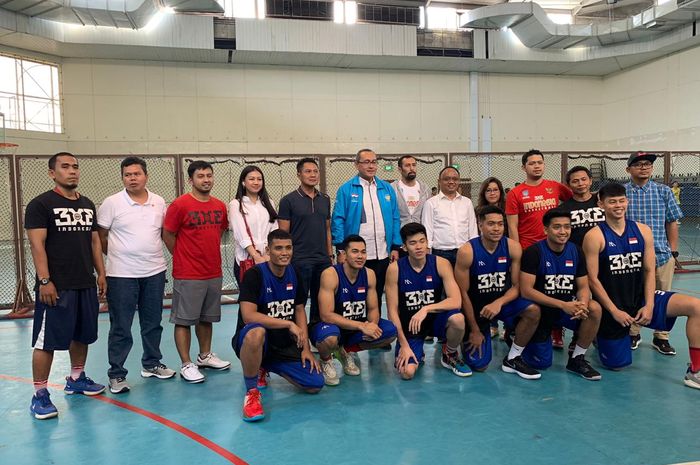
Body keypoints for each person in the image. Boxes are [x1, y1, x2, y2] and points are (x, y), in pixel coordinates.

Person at [583, 182, 700, 389]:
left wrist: (650, 304)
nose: (618, 206)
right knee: (617, 365)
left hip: (640, 298)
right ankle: (599, 335)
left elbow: (648, 270)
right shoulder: (594, 236)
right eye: (612, 202)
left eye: (621, 201)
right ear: (601, 204)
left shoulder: (643, 230)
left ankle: (695, 371)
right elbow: (593, 280)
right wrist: (614, 311)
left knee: (696, 306)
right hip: (614, 305)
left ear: (627, 201)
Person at [26, 152, 107, 420]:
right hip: (57, 286)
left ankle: (76, 378)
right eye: (65, 167)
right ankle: (39, 394)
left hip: (84, 282)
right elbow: (37, 245)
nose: (72, 171)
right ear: (52, 173)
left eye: (75, 167)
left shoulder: (86, 203)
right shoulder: (40, 204)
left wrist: (101, 273)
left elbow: (95, 242)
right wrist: (45, 281)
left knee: (82, 334)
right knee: (47, 341)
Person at [98, 157, 175, 394]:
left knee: (153, 323)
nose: (132, 178)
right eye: (127, 174)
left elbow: (163, 233)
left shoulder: (159, 201)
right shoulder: (111, 203)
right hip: (121, 276)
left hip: (154, 272)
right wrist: (116, 258)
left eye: (136, 174)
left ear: (146, 176)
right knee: (121, 326)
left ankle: (151, 364)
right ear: (122, 177)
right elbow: (100, 236)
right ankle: (117, 375)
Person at [232, 229, 323, 421]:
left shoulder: (295, 273)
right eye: (278, 248)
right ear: (268, 250)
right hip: (254, 339)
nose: (284, 252)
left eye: (288, 248)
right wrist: (287, 324)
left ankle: (265, 365)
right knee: (256, 332)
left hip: (282, 343)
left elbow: (299, 310)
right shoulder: (254, 275)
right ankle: (252, 392)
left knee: (315, 384)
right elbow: (248, 316)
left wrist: (306, 348)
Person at [454, 205, 541, 379]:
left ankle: (513, 356)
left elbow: (518, 286)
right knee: (479, 365)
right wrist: (474, 330)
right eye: (491, 224)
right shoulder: (467, 251)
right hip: (478, 309)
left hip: (502, 304)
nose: (496, 228)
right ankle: (468, 337)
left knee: (533, 310)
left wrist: (499, 302)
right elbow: (462, 293)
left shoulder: (513, 247)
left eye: (500, 224)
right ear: (480, 225)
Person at [163, 160, 230, 384]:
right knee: (183, 320)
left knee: (206, 317)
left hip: (213, 271)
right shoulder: (180, 205)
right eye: (201, 176)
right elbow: (168, 234)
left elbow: (220, 232)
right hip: (188, 273)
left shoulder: (220, 206)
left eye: (209, 175)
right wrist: (182, 256)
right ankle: (186, 363)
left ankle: (204, 355)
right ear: (191, 180)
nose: (206, 180)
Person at [519, 209, 602, 380]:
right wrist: (563, 305)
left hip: (567, 309)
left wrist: (583, 304)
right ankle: (516, 335)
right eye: (557, 227)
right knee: (541, 363)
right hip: (540, 311)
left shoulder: (576, 251)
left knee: (594, 308)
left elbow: (583, 286)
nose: (563, 231)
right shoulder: (533, 252)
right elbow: (526, 290)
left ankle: (577, 358)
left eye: (567, 227)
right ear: (545, 230)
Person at [506, 149, 572, 349]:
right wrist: (518, 252)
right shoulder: (515, 193)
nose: (537, 166)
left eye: (540, 162)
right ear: (524, 167)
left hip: (555, 250)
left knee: (555, 288)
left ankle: (556, 330)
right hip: (529, 250)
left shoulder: (554, 187)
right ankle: (515, 329)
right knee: (527, 292)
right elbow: (512, 226)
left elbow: (575, 200)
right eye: (532, 163)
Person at [386, 223, 470, 380]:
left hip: (435, 320)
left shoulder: (441, 264)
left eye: (422, 241)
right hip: (411, 326)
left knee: (458, 319)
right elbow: (392, 312)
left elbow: (456, 301)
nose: (419, 247)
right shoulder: (395, 269)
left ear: (427, 242)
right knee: (407, 373)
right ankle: (416, 350)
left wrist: (425, 309)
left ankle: (449, 353)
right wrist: (404, 345)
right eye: (413, 243)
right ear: (404, 247)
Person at [313, 235, 398, 385]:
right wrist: (362, 326)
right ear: (344, 255)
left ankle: (345, 351)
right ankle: (326, 360)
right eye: (355, 251)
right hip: (330, 327)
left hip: (354, 328)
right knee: (329, 338)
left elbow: (373, 308)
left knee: (390, 331)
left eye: (363, 252)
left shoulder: (369, 274)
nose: (360, 256)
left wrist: (372, 325)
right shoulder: (331, 274)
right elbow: (326, 315)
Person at [625, 152, 683, 355]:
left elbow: (672, 221)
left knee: (664, 296)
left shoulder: (663, 191)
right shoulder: (622, 194)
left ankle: (661, 336)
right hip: (632, 256)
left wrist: (672, 250)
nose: (644, 167)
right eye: (638, 164)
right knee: (635, 295)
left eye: (647, 164)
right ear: (628, 169)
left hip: (661, 253)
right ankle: (633, 332)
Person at [331, 149, 401, 317]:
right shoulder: (346, 189)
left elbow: (395, 218)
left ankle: (373, 329)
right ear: (357, 165)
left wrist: (395, 246)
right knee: (352, 295)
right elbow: (338, 219)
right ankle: (351, 329)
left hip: (383, 254)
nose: (371, 165)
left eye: (374, 162)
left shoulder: (387, 189)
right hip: (356, 255)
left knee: (376, 294)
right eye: (366, 162)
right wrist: (341, 249)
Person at [278, 158, 333, 325]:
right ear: (299, 174)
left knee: (322, 301)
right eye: (308, 171)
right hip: (299, 260)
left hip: (322, 260)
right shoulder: (288, 201)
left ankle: (317, 334)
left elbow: (327, 229)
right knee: (298, 301)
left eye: (315, 171)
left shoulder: (325, 199)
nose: (313, 175)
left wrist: (329, 254)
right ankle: (298, 336)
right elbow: (283, 234)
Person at [230, 165, 279, 287]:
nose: (256, 182)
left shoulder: (269, 203)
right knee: (249, 300)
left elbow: (274, 229)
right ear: (243, 182)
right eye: (252, 179)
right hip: (247, 259)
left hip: (268, 259)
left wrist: (268, 255)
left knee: (267, 299)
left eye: (259, 179)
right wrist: (256, 256)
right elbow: (240, 233)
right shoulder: (236, 204)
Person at [422, 166, 478, 266]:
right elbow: (427, 230)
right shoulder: (431, 203)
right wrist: (427, 252)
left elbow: (472, 229)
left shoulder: (467, 202)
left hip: (464, 251)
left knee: (464, 282)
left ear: (459, 181)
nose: (451, 182)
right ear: (439, 181)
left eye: (455, 179)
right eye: (447, 179)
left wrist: (474, 248)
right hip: (440, 253)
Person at [476, 176, 508, 338]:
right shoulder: (478, 211)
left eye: (495, 189)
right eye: (488, 190)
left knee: (505, 288)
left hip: (504, 254)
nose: (492, 193)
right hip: (485, 254)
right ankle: (491, 324)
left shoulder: (508, 209)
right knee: (488, 287)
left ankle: (509, 326)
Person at [391, 155, 430, 228]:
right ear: (400, 169)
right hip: (400, 234)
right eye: (407, 165)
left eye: (414, 165)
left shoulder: (425, 189)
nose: (412, 168)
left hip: (420, 233)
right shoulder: (392, 189)